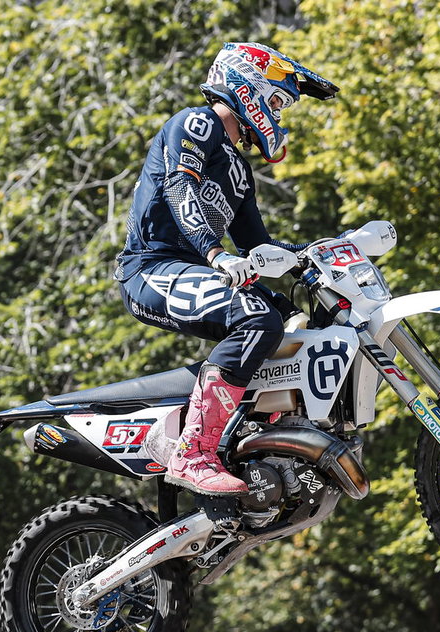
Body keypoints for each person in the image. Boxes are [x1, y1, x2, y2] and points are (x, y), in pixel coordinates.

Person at [115, 40, 338, 495]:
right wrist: (216, 254)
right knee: (257, 317)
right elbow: (181, 187)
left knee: (291, 320)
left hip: (199, 269)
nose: (278, 114)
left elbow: (258, 244)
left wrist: (319, 254)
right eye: (276, 101)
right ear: (248, 86)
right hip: (152, 268)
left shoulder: (239, 171)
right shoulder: (196, 123)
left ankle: (253, 440)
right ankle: (193, 452)